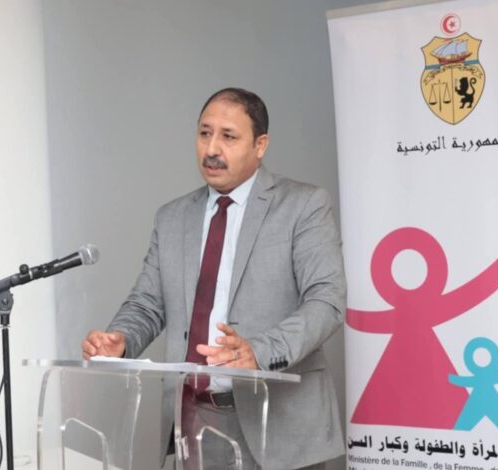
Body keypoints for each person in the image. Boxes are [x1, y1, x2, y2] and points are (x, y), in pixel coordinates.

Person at [82, 88, 345, 469]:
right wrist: (119, 340)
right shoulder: (172, 218)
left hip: (280, 423)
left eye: (228, 136)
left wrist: (260, 352)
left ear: (260, 145)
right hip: (194, 420)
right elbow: (147, 304)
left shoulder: (303, 205)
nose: (211, 149)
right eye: (204, 133)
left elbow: (327, 300)